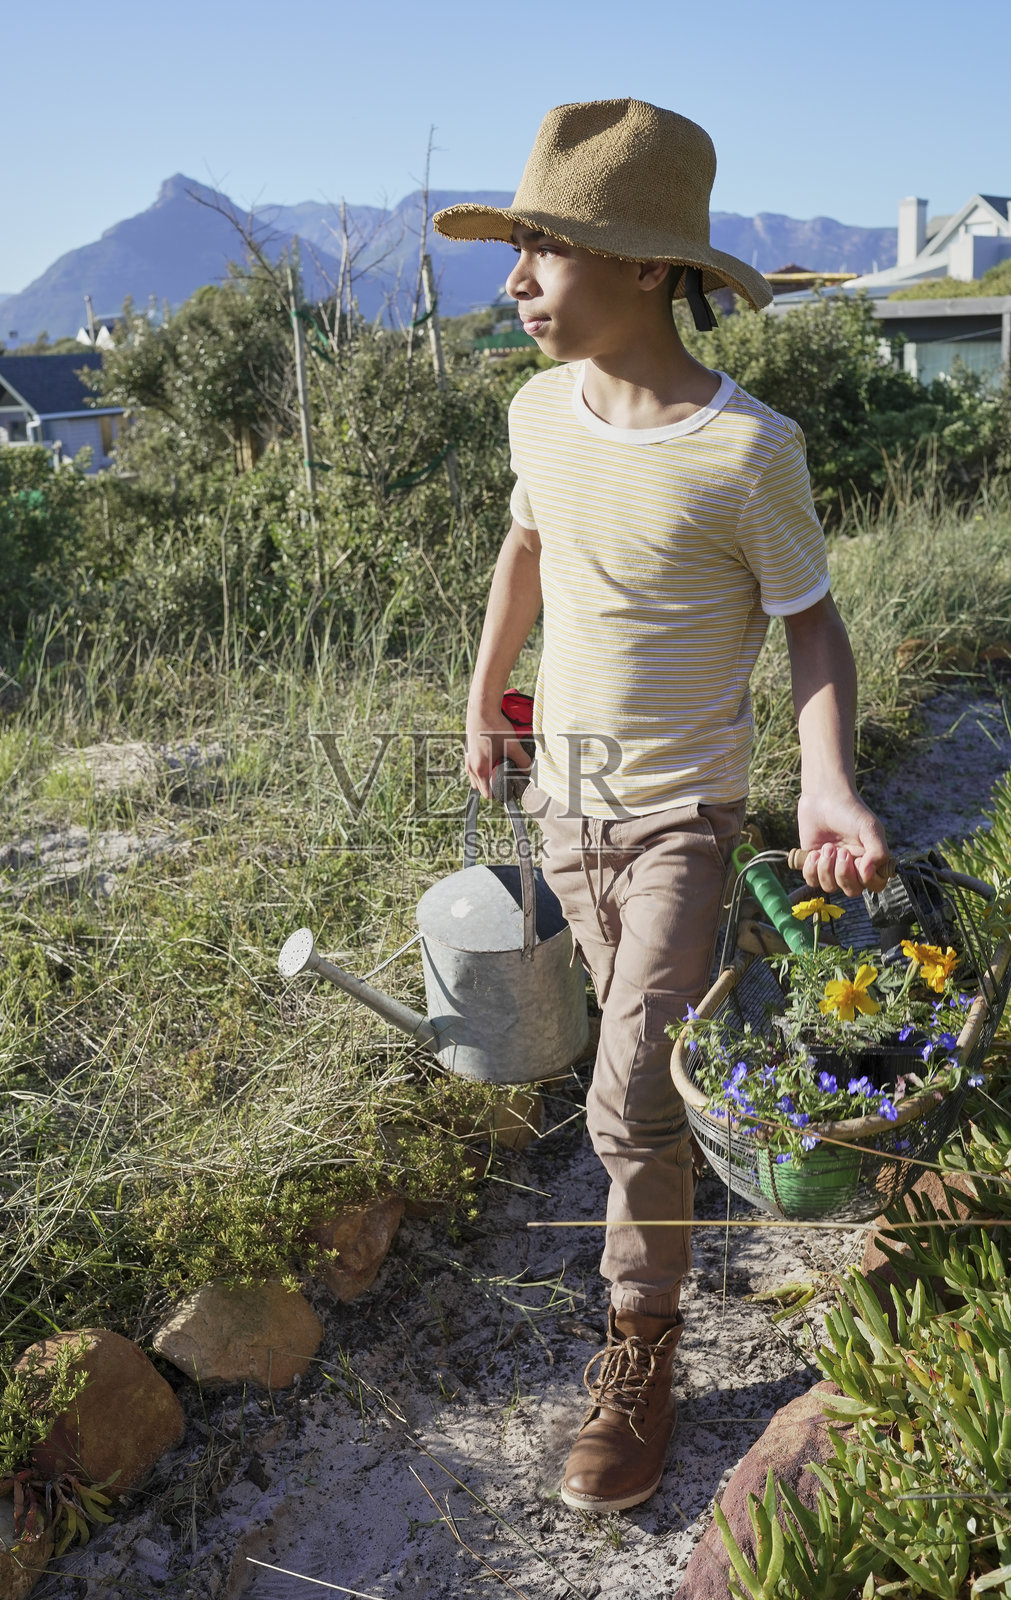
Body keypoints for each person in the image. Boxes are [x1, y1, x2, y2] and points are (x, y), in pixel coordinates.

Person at [433, 98, 889, 1515]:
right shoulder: (533, 410)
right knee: (615, 1058)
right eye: (514, 250)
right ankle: (692, 1040)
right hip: (565, 795)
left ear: (642, 268)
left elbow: (813, 628)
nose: (514, 281)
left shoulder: (748, 452)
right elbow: (529, 546)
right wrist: (486, 691)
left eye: (542, 251)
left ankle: (641, 1343)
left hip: (686, 807)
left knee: (630, 1089)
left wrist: (825, 779)